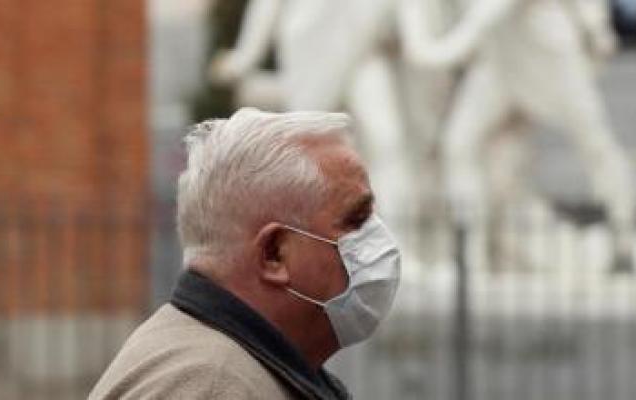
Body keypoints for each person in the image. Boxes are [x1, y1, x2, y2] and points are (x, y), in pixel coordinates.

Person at [89, 108, 402, 399]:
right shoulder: (212, 385)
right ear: (274, 253)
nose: (378, 237)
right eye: (356, 220)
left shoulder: (226, 362)